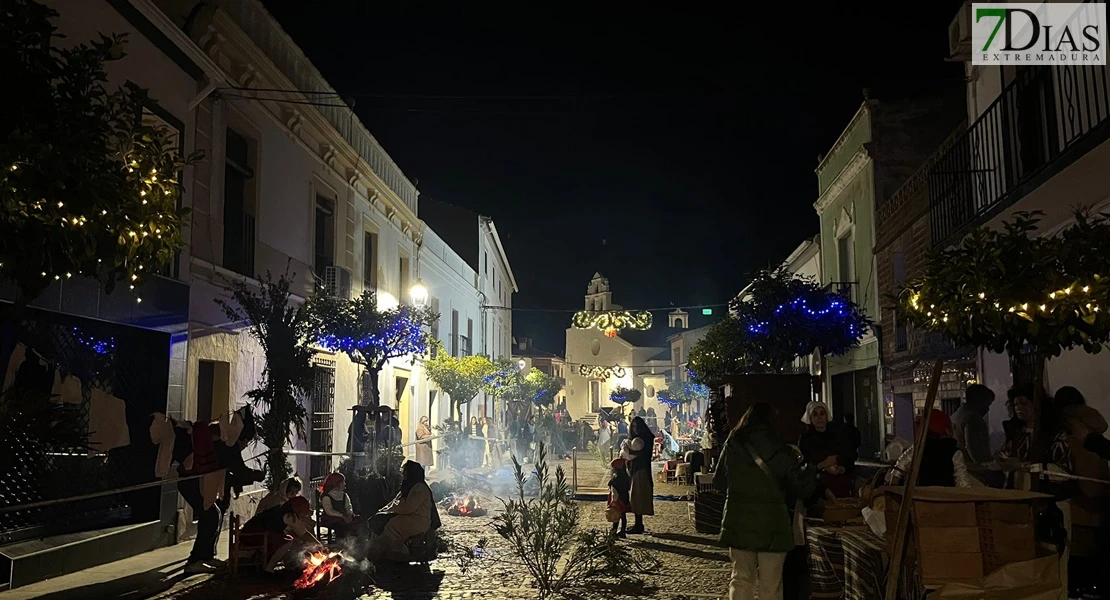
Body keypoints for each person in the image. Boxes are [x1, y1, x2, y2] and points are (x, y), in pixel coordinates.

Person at [717, 402, 817, 600]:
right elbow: (803, 488)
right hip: (773, 525)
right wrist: (811, 471)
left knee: (741, 579)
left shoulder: (733, 444)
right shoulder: (780, 449)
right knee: (771, 584)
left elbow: (719, 481)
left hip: (739, 521)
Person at [887, 410, 977, 487]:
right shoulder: (954, 453)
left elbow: (897, 473)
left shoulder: (916, 450)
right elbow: (963, 483)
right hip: (947, 503)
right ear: (947, 430)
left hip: (919, 501)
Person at [368, 460, 436, 559]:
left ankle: (399, 553)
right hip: (408, 517)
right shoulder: (408, 487)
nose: (403, 475)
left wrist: (393, 508)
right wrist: (381, 512)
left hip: (419, 520)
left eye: (405, 472)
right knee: (379, 521)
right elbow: (393, 503)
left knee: (391, 526)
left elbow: (408, 507)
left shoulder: (420, 488)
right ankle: (377, 551)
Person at [241, 496, 320, 573]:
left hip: (251, 532)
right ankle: (269, 569)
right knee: (286, 542)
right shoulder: (289, 516)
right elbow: (304, 533)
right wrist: (319, 546)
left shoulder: (282, 508)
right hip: (254, 535)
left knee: (288, 539)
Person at [798, 401, 855, 500]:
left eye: (822, 413)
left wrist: (842, 467)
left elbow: (849, 456)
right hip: (818, 488)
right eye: (815, 414)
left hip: (840, 483)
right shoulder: (806, 439)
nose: (819, 417)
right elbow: (804, 466)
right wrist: (823, 464)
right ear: (810, 419)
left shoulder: (838, 435)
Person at [625, 416, 655, 534]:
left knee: (638, 497)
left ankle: (638, 524)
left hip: (641, 470)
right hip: (635, 469)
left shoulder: (645, 440)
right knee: (636, 497)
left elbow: (638, 454)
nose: (635, 429)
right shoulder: (636, 439)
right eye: (633, 426)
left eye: (637, 426)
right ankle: (638, 523)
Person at [952, 384, 995, 465]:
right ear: (979, 401)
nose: (987, 409)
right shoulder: (973, 418)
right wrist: (986, 466)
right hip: (972, 469)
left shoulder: (956, 415)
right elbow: (974, 448)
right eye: (987, 404)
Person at [320, 473, 359, 539]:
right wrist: (342, 516)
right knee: (340, 524)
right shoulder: (327, 497)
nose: (344, 484)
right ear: (337, 483)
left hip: (345, 515)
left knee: (358, 520)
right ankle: (341, 541)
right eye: (343, 482)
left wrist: (349, 514)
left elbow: (348, 506)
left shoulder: (344, 495)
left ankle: (354, 541)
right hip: (332, 517)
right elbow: (329, 511)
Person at [607, 457, 632, 538]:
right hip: (624, 499)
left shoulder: (615, 479)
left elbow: (614, 492)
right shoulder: (626, 477)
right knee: (623, 516)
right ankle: (623, 531)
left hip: (617, 500)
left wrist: (613, 501)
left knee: (616, 516)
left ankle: (614, 531)